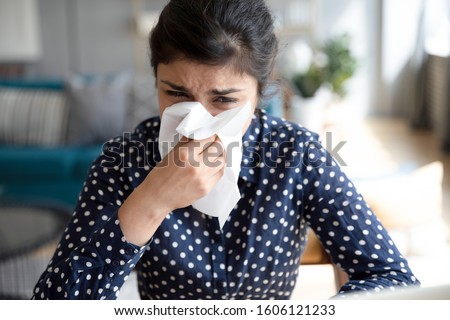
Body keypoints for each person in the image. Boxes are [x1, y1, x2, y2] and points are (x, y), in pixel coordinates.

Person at [32, 0, 419, 300]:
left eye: (223, 100)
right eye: (176, 94)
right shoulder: (123, 162)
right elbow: (54, 304)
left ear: (260, 92)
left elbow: (394, 280)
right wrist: (150, 201)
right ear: (155, 79)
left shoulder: (297, 156)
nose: (195, 121)